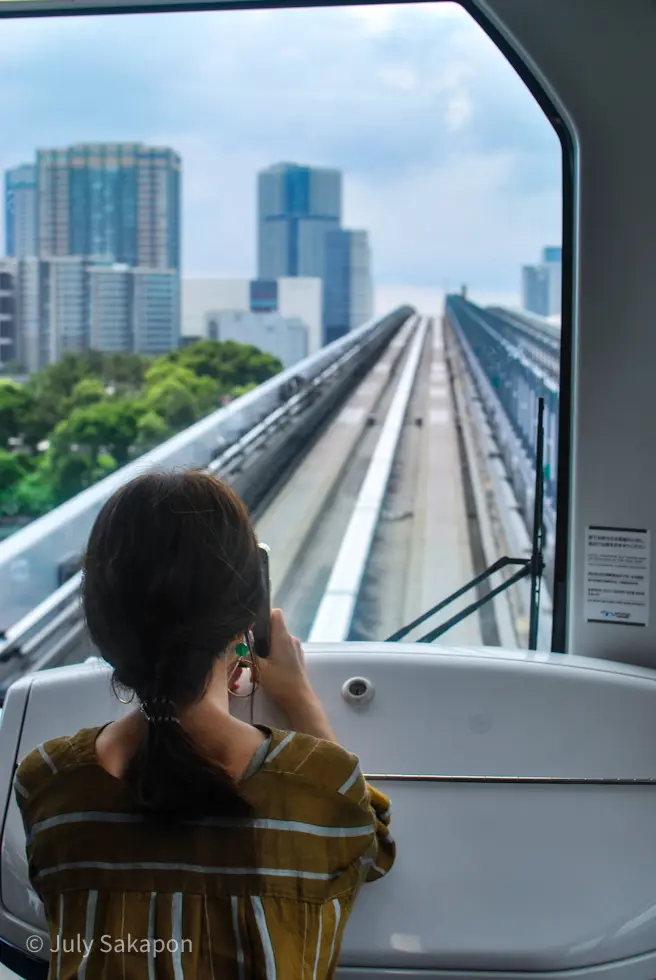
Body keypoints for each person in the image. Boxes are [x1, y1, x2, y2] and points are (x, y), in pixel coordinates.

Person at [13, 470, 395, 979]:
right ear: (248, 619)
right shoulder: (320, 787)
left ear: (104, 629)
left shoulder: (48, 786)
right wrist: (299, 696)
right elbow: (372, 848)